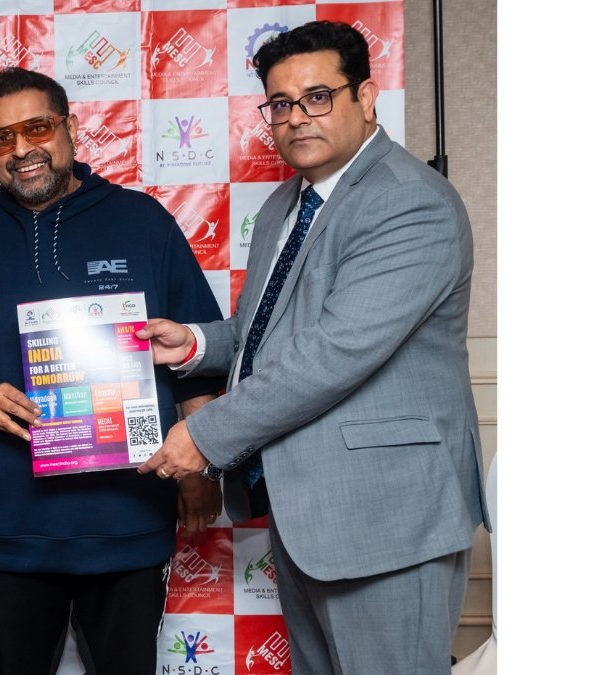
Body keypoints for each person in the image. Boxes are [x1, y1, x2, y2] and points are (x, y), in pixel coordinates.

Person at [135, 21, 490, 675]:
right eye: (281, 103)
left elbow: (335, 352)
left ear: (366, 97)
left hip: (389, 518)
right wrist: (194, 343)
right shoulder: (285, 205)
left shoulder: (409, 202)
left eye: (318, 97)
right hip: (308, 516)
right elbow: (267, 330)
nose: (297, 117)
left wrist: (204, 435)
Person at [0, 67, 224, 675]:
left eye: (37, 128)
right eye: (1, 138)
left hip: (128, 519)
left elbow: (199, 357)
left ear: (69, 127)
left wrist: (199, 467)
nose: (21, 149)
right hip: (7, 527)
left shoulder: (143, 222)